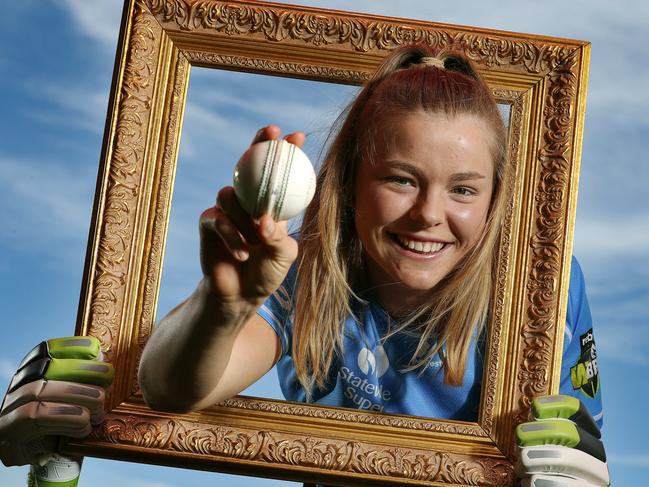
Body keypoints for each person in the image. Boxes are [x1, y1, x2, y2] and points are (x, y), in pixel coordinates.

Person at [1, 45, 608, 487]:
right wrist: (227, 301)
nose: (429, 214)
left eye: (464, 190)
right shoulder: (308, 261)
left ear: (498, 197)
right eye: (400, 179)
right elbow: (171, 389)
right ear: (348, 181)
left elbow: (574, 451)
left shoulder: (541, 277)